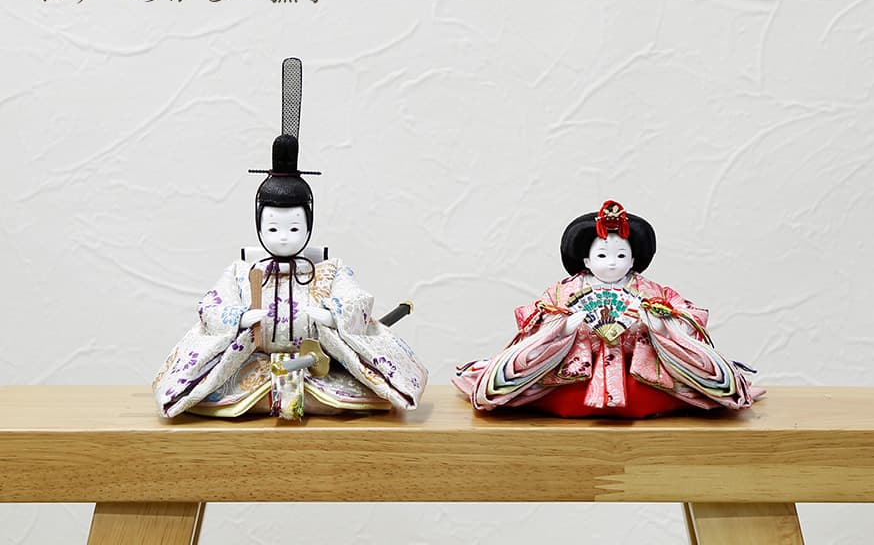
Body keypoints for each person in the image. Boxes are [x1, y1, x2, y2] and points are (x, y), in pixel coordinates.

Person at [153, 135, 428, 420]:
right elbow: (211, 306)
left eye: (294, 229)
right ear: (259, 227)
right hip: (253, 365)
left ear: (309, 226)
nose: (283, 237)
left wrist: (334, 316)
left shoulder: (329, 270)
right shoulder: (241, 272)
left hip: (319, 366)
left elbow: (356, 299)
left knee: (354, 396)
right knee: (218, 395)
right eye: (273, 229)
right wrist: (239, 318)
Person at [452, 200, 759, 418]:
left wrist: (662, 326)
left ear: (633, 259)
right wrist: (561, 328)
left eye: (621, 255)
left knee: (673, 392)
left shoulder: (652, 292)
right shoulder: (563, 291)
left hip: (637, 370)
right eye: (602, 255)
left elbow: (687, 314)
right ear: (586, 260)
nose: (612, 263)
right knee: (533, 391)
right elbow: (536, 317)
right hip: (575, 371)